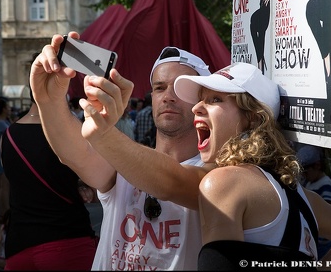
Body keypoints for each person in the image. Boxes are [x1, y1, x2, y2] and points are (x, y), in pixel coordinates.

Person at [170, 62, 331, 269]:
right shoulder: (304, 198)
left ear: (252, 119)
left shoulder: (222, 183)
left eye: (215, 99)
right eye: (200, 100)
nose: (196, 108)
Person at [30, 32, 212, 270]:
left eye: (182, 88)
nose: (168, 97)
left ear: (204, 101)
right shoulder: (125, 164)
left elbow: (172, 182)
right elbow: (75, 154)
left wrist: (103, 134)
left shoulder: (216, 173)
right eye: (159, 87)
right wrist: (48, 100)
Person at [0, 53, 98, 271]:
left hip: (19, 248)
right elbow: (97, 185)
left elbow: (6, 188)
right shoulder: (72, 131)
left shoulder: (8, 135)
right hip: (67, 242)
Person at [296, 144, 331, 259]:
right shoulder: (309, 183)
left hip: (324, 240)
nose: (304, 176)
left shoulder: (325, 184)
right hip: (314, 239)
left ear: (317, 166)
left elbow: (328, 211)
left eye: (306, 172)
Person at [250, 0, 272, 74]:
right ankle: (260, 60)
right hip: (262, 5)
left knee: (261, 32)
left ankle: (260, 63)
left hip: (267, 7)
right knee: (253, 24)